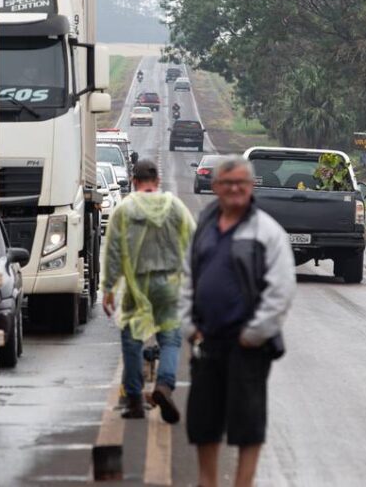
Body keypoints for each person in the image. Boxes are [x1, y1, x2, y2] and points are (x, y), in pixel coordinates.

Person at [180, 155, 297, 487]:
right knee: (204, 422)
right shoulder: (204, 225)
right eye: (227, 182)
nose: (234, 189)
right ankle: (208, 482)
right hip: (207, 341)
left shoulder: (267, 231)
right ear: (215, 187)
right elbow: (187, 278)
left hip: (248, 345)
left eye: (241, 183)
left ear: (251, 187)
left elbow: (281, 289)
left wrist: (255, 333)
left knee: (247, 424)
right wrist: (190, 327)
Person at [102, 159, 195, 422]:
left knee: (132, 342)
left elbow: (113, 251)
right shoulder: (173, 206)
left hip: (136, 286)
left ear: (134, 181)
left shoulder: (124, 209)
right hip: (168, 284)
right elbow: (194, 242)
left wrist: (109, 288)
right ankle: (164, 385)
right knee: (170, 339)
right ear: (158, 181)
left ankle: (133, 401)